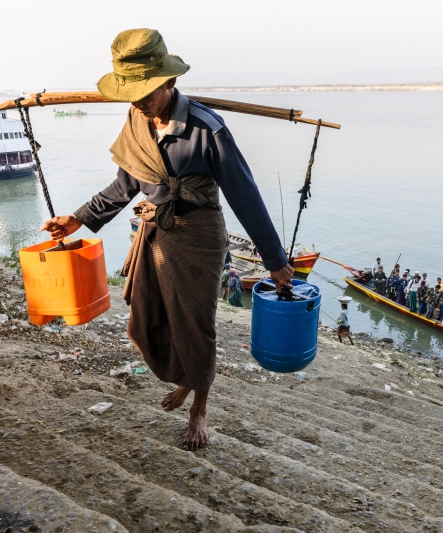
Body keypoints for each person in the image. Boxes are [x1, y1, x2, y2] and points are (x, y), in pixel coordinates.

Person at [39, 28, 293, 452]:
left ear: (169, 82)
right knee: (150, 313)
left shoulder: (207, 128)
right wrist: (77, 219)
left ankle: (199, 408)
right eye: (131, 95)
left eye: (146, 94)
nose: (138, 103)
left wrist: (275, 259)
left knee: (196, 325)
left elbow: (244, 194)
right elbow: (124, 186)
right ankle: (185, 379)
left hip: (198, 237)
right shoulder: (136, 119)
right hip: (154, 232)